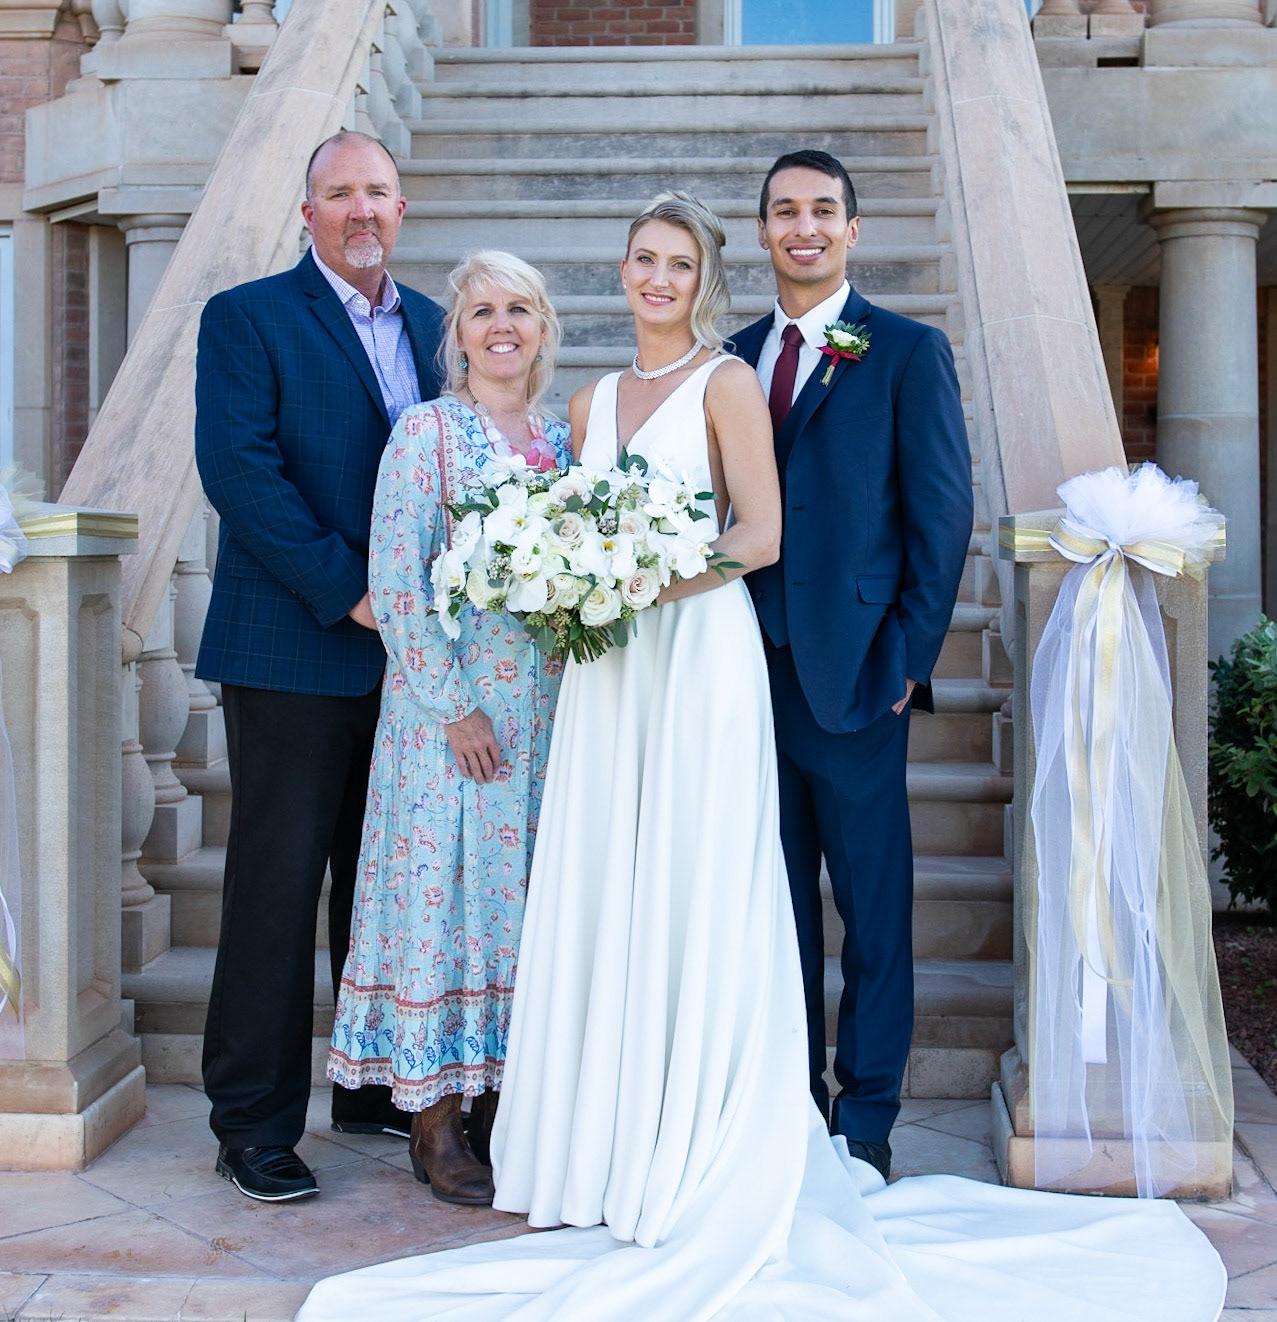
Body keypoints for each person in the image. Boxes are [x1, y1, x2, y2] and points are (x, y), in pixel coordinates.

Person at [296, 194, 1224, 1322]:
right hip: (604, 676)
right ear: (619, 271)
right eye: (642, 259)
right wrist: (584, 584)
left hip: (696, 655)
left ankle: (721, 1130)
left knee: (703, 885)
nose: (656, 278)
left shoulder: (727, 382)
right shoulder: (581, 407)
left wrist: (639, 579)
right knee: (613, 888)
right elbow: (540, 540)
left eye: (678, 264)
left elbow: (760, 534)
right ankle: (609, 1133)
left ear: (703, 281)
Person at [195, 131, 445, 1203]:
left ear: (401, 207)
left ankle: (367, 1085)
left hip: (409, 661)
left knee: (379, 880)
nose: (361, 209)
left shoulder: (434, 323)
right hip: (291, 645)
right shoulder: (247, 317)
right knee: (277, 886)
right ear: (309, 213)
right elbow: (237, 470)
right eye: (339, 193)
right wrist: (351, 589)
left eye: (376, 192)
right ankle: (252, 1122)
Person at [731, 148, 974, 1177]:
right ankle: (786, 1101)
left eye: (821, 210)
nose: (804, 226)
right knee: (772, 905)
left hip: (860, 673)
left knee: (872, 908)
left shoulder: (906, 351)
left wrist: (906, 658)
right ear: (761, 231)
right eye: (784, 211)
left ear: (851, 229)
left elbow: (941, 514)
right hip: (745, 673)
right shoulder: (730, 358)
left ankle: (864, 1116)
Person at [327, 251, 570, 1206]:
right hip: (445, 721)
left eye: (519, 308)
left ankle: (504, 1107)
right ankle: (433, 1125)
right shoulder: (424, 433)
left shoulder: (564, 442)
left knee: (521, 913)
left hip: (545, 720)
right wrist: (454, 704)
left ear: (543, 327)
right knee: (440, 904)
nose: (501, 325)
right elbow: (395, 582)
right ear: (457, 335)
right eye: (481, 312)